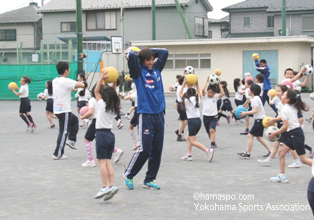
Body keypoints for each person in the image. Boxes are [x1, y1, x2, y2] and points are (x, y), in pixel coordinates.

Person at [124, 47, 168, 190]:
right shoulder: (138, 73)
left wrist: (148, 51)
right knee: (145, 149)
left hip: (159, 114)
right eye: (147, 60)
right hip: (145, 114)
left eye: (152, 59)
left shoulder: (156, 69)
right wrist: (139, 53)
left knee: (157, 149)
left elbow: (164, 52)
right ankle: (129, 174)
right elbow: (131, 55)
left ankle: (149, 179)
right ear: (142, 60)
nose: (150, 62)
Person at [268, 90, 312, 183]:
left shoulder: (285, 109)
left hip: (295, 134)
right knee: (281, 153)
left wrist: (275, 133)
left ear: (287, 99)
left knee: (303, 160)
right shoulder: (290, 106)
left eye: (283, 94)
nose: (281, 95)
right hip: (295, 133)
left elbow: (285, 126)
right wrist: (273, 119)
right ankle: (282, 176)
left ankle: (282, 176)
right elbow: (283, 117)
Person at [93, 70, 119, 201]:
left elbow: (96, 92)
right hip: (110, 135)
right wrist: (114, 80)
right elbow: (113, 93)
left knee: (101, 163)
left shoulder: (102, 105)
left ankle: (104, 187)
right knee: (108, 163)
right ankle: (111, 186)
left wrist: (101, 78)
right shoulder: (115, 107)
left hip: (101, 134)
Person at [52, 62, 84, 160]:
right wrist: (83, 82)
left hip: (57, 108)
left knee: (74, 120)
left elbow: (70, 88)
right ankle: (57, 154)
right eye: (68, 69)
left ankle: (71, 140)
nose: (69, 70)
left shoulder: (55, 80)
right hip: (64, 109)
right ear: (66, 70)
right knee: (64, 131)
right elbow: (80, 85)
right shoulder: (65, 81)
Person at [180, 78, 214, 162]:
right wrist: (197, 83)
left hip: (192, 121)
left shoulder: (186, 100)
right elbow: (199, 91)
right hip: (198, 121)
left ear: (187, 94)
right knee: (188, 137)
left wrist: (183, 84)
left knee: (192, 141)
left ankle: (208, 151)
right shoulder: (197, 99)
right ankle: (189, 154)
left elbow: (180, 93)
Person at [237, 84, 272, 158]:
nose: (248, 90)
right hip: (259, 120)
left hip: (260, 120)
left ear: (252, 91)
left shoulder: (256, 99)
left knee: (250, 135)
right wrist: (246, 112)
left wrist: (245, 113)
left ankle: (247, 153)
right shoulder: (254, 98)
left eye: (249, 89)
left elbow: (255, 111)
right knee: (259, 137)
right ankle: (271, 151)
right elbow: (255, 111)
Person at [202, 75, 224, 150]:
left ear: (215, 93)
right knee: (209, 133)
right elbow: (202, 90)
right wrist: (206, 81)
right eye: (209, 92)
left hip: (213, 116)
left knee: (212, 130)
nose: (210, 94)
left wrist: (219, 84)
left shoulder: (216, 97)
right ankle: (213, 142)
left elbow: (223, 94)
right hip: (205, 116)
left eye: (212, 93)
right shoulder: (204, 97)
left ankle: (212, 144)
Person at [175, 76, 188, 141]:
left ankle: (179, 131)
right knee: (183, 121)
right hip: (182, 105)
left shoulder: (180, 87)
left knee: (184, 121)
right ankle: (179, 134)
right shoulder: (182, 88)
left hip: (181, 105)